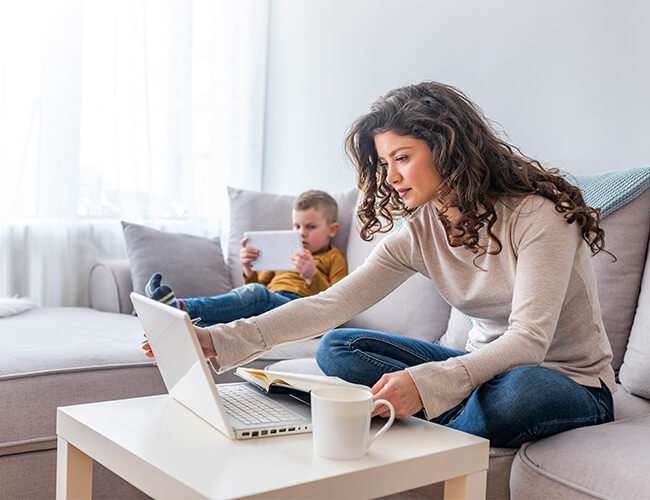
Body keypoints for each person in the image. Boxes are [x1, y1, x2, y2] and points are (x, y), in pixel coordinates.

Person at [143, 81, 616, 448]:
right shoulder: (421, 230)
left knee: (519, 394)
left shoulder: (538, 217)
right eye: (384, 162)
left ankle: (430, 422)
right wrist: (219, 339)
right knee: (338, 347)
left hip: (564, 380)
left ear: (449, 149)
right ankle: (448, 412)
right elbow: (331, 304)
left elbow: (529, 341)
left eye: (402, 158)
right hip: (476, 371)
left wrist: (432, 382)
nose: (389, 178)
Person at [144, 190, 348, 327]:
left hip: (302, 310)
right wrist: (249, 269)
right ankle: (178, 325)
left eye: (310, 227)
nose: (301, 233)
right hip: (272, 304)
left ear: (332, 230)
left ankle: (177, 308)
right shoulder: (287, 249)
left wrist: (312, 276)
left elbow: (337, 304)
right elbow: (260, 285)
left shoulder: (333, 257)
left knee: (256, 294)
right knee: (233, 320)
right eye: (296, 226)